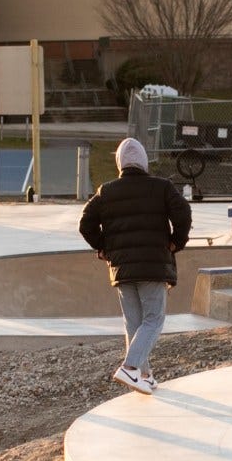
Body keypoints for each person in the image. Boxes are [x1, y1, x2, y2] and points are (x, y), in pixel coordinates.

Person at [79, 137, 192, 396]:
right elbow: (183, 213)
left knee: (134, 322)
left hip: (121, 268)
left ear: (120, 162)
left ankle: (143, 374)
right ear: (143, 161)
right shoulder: (161, 187)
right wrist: (176, 242)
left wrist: (103, 247)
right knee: (153, 319)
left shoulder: (106, 191)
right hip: (153, 266)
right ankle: (130, 367)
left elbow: (85, 223)